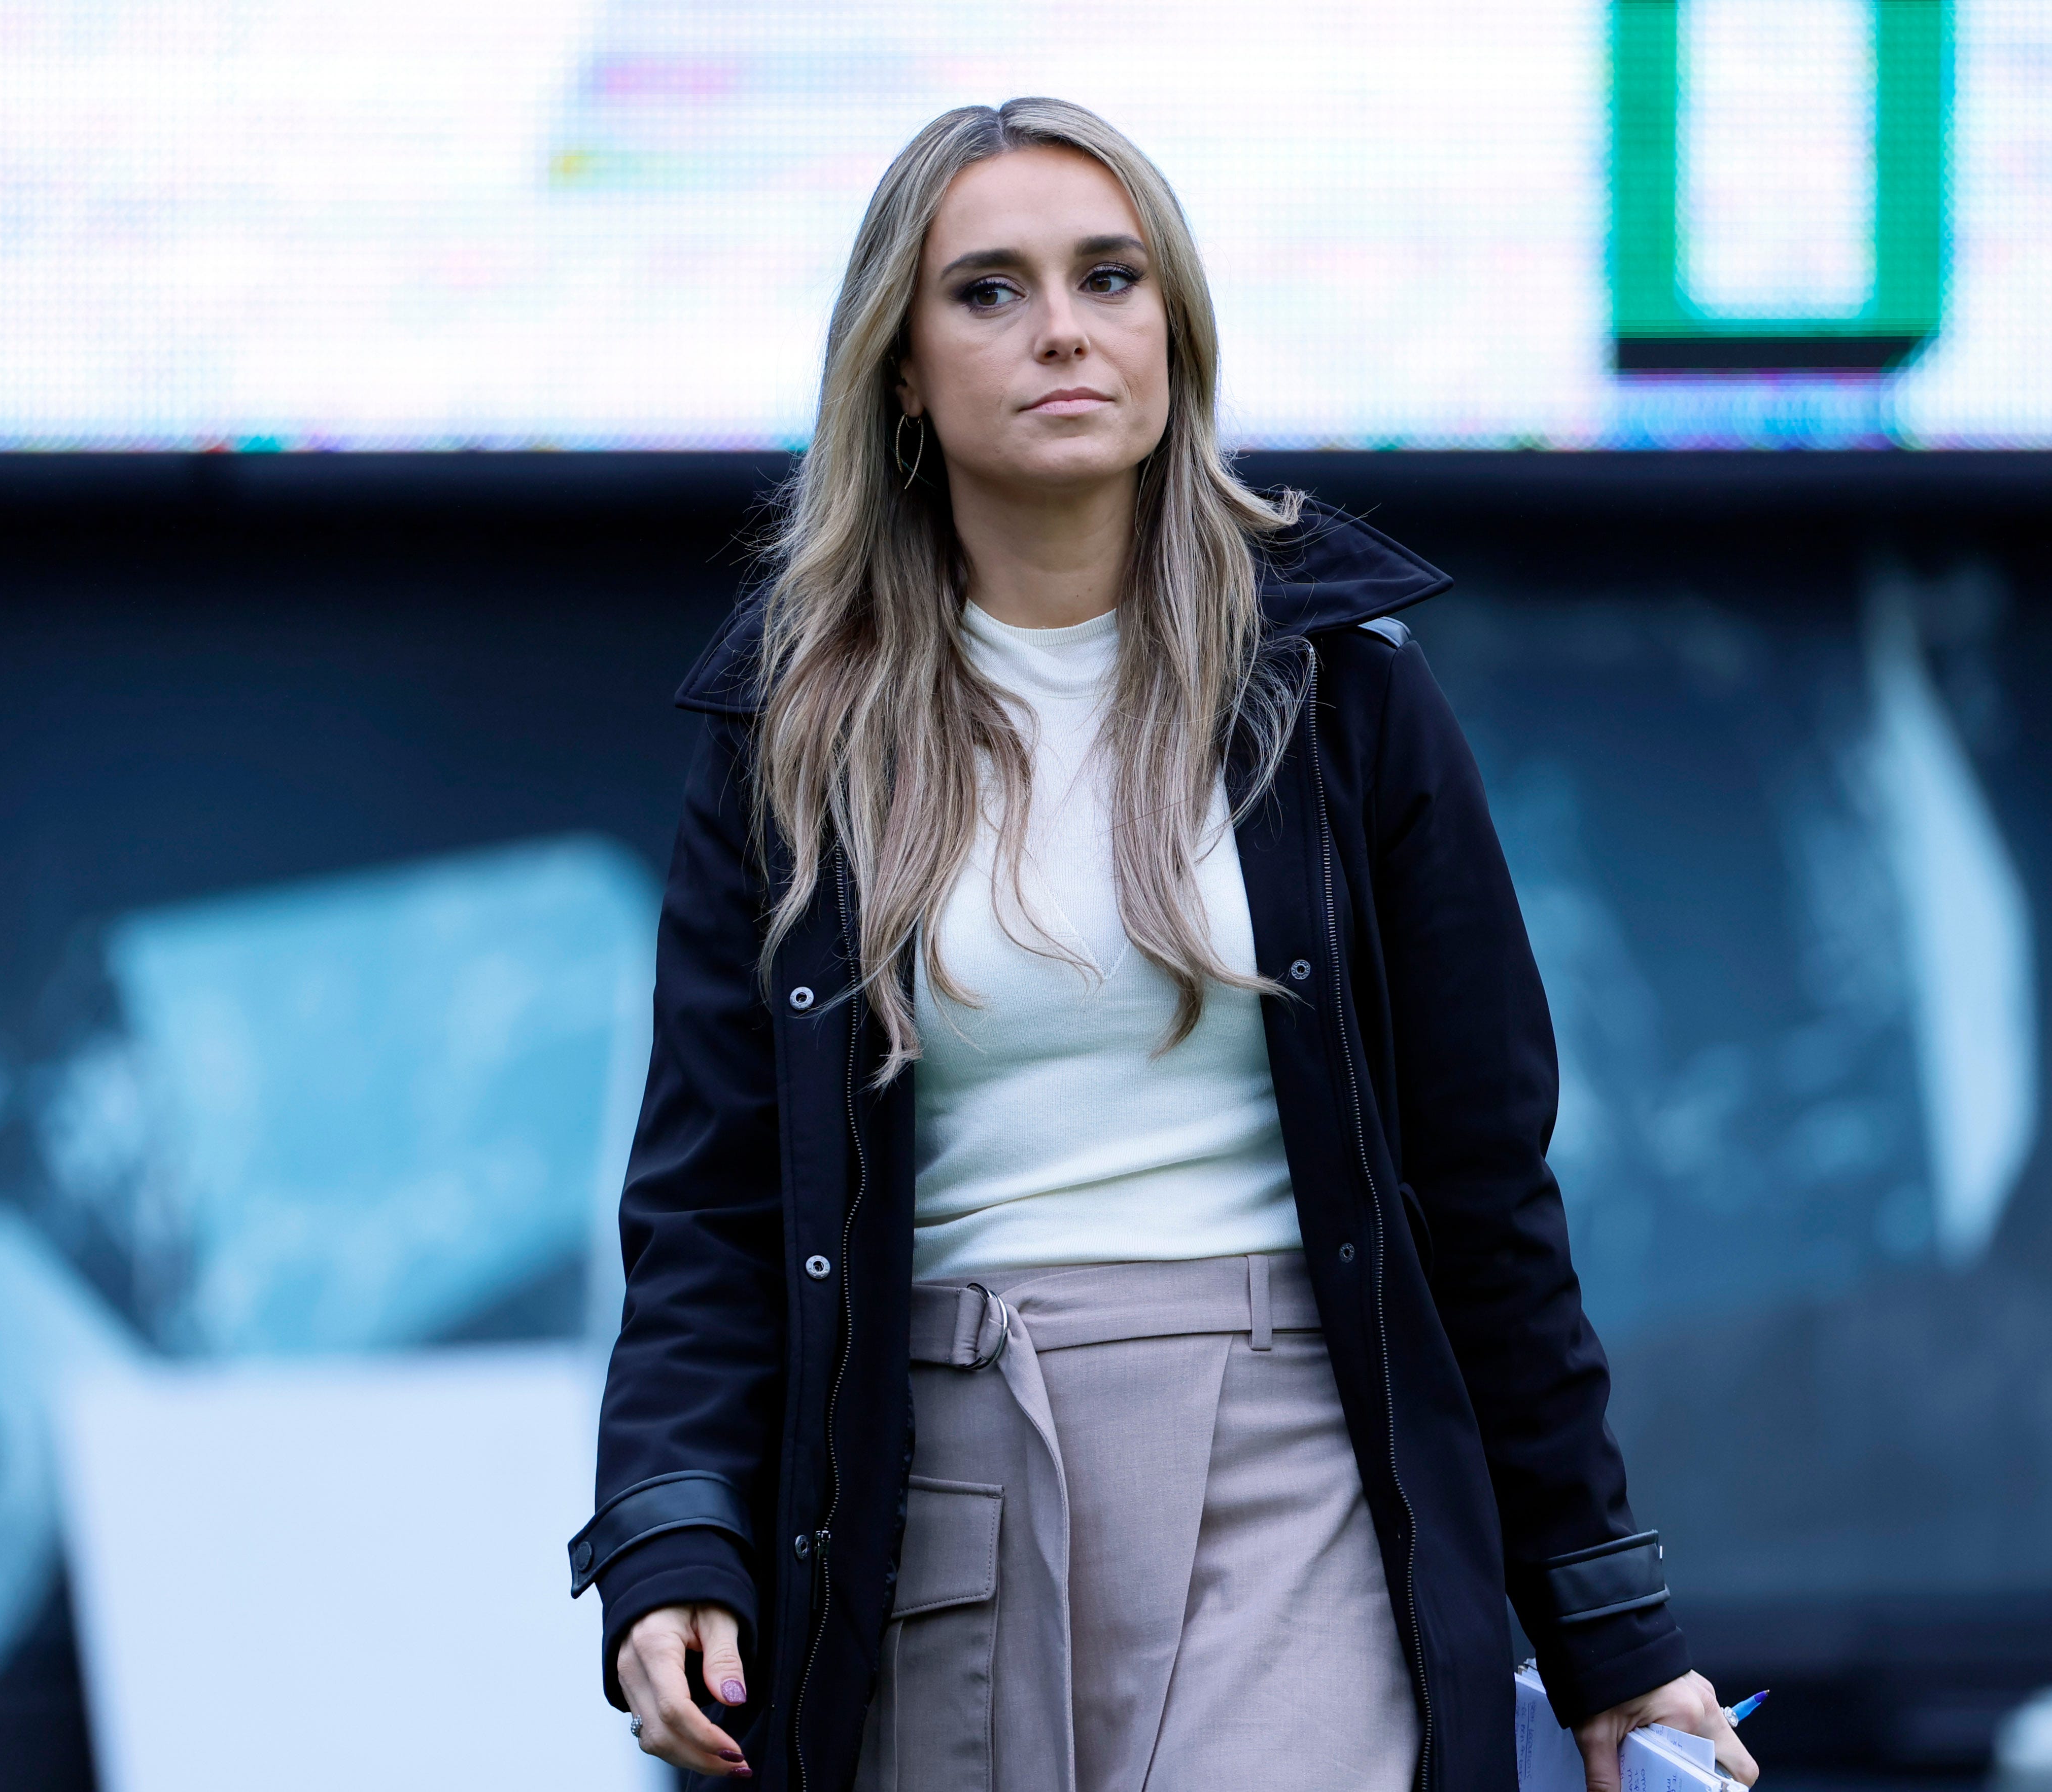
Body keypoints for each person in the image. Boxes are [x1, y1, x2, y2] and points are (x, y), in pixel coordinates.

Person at [567, 96, 1763, 1792]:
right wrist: (673, 1542)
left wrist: (1612, 1638)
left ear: (1173, 332)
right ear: (899, 370)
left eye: (1108, 278)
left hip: (1300, 1458)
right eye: (987, 290)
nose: (1060, 328)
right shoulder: (796, 731)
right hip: (931, 1474)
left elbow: (1481, 1188)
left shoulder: (1344, 692)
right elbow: (708, 1205)